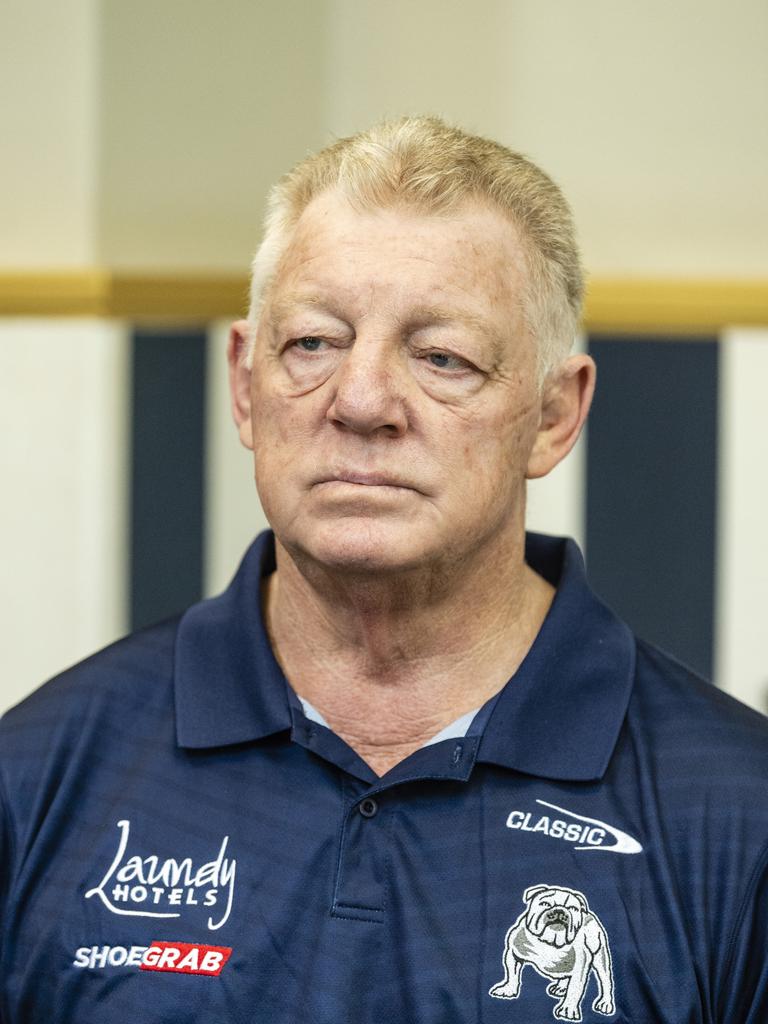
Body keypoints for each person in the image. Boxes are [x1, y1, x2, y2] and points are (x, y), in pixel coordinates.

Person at [0, 116, 766, 1024]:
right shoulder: (43, 771)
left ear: (554, 415)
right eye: (314, 344)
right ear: (246, 385)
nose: (360, 402)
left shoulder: (736, 814)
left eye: (442, 357)